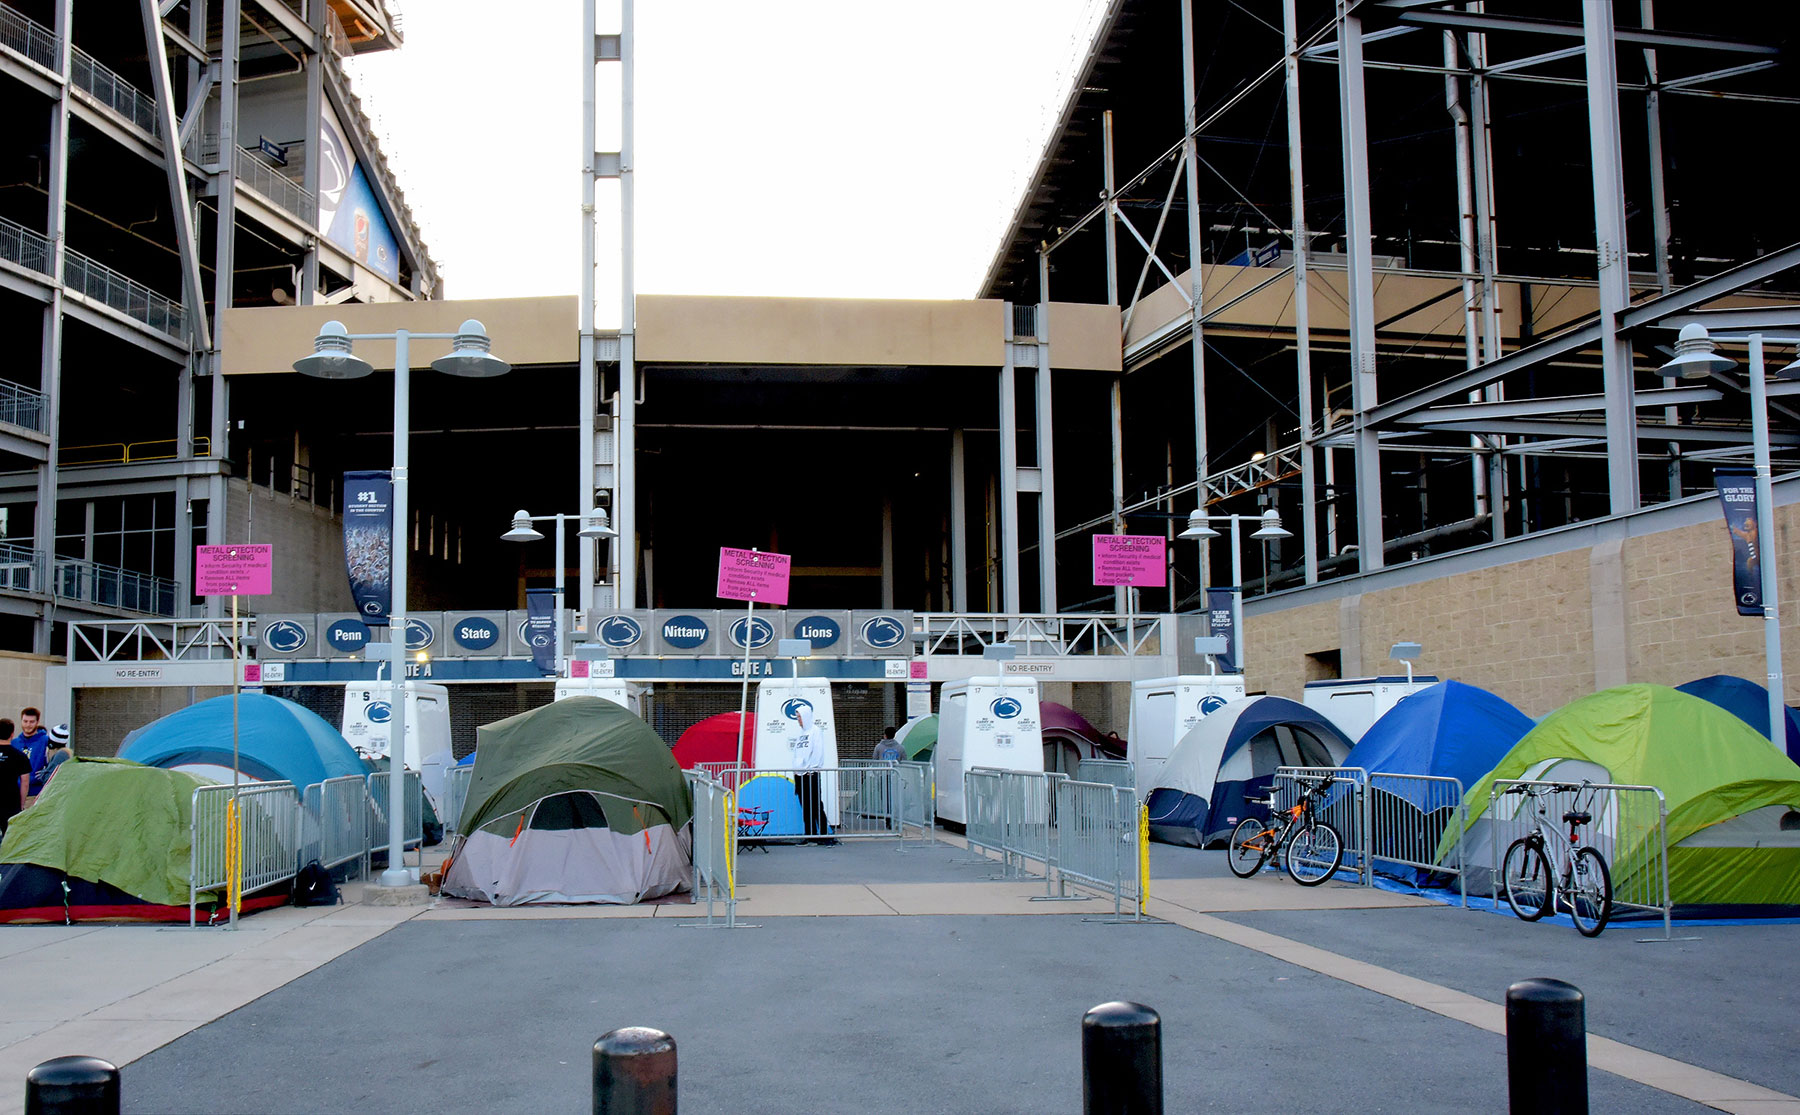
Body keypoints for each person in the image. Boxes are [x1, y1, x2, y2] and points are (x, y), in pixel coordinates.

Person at [14, 707, 48, 806]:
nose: (28, 725)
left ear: (37, 722)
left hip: (35, 795)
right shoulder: (14, 743)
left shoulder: (46, 741)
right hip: (14, 794)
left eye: (31, 722)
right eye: (25, 721)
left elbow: (54, 764)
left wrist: (44, 774)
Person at [0, 717, 25, 841]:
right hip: (11, 801)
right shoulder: (20, 756)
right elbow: (25, 783)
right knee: (9, 838)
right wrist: (22, 803)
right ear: (12, 734)